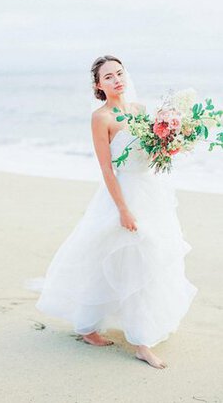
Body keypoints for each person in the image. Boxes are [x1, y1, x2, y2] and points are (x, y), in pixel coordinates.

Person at [25, 55, 198, 369]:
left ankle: (128, 329)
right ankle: (136, 341)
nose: (117, 79)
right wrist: (123, 210)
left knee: (152, 260)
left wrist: (173, 142)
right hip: (124, 195)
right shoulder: (100, 117)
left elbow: (151, 151)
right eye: (109, 77)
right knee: (125, 260)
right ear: (98, 85)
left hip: (152, 194)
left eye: (119, 73)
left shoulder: (142, 110)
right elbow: (107, 168)